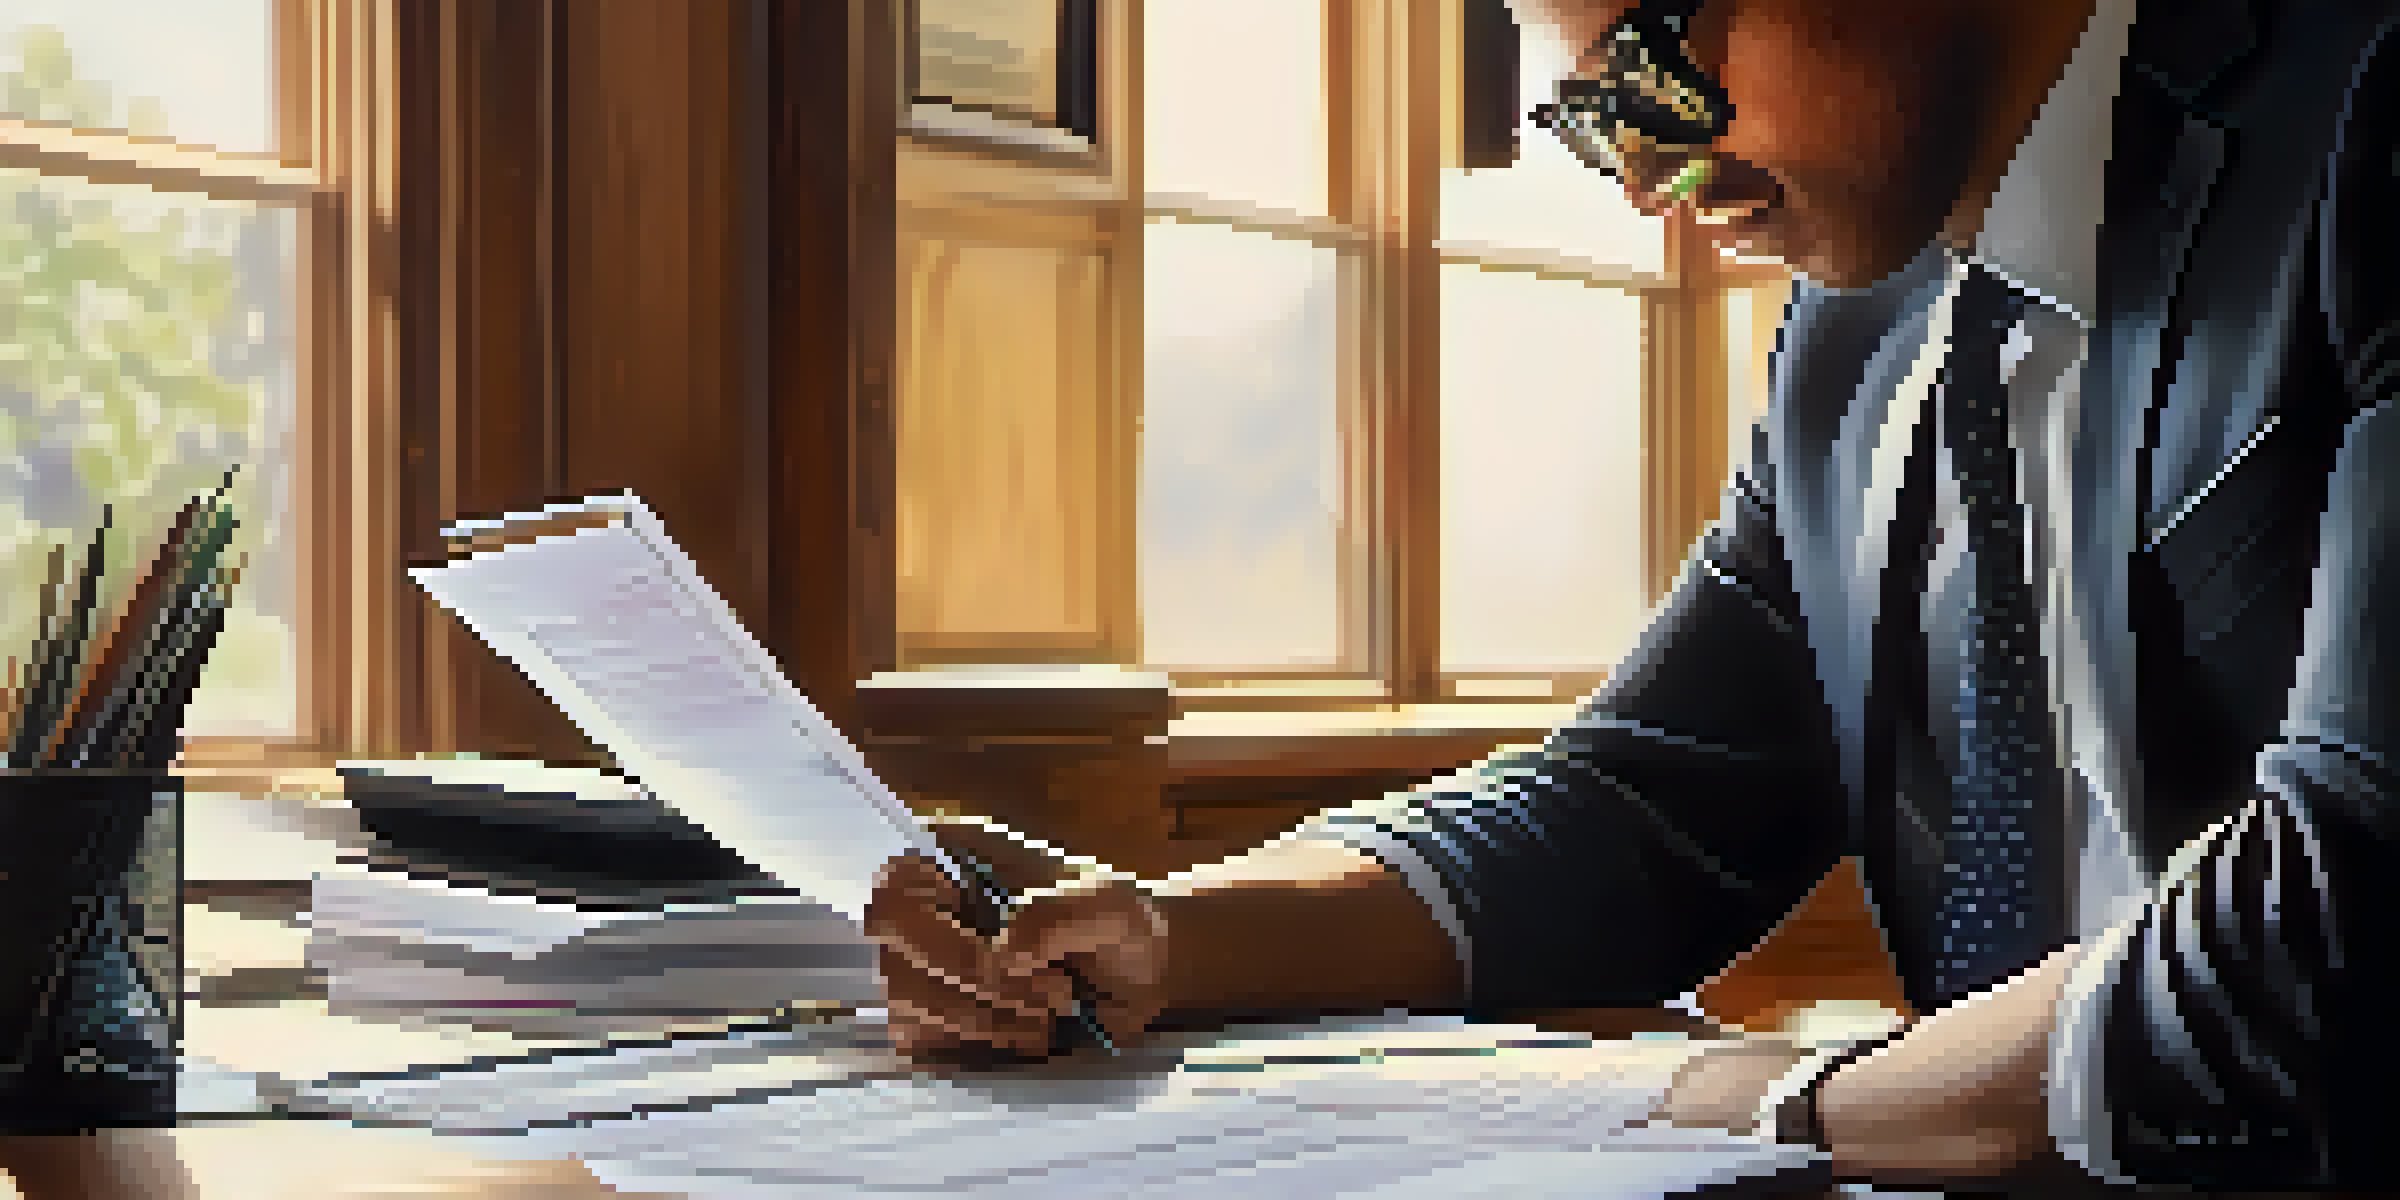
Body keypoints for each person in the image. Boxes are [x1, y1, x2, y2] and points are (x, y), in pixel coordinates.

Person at [867, 0, 2400, 1190]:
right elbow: (1650, 797)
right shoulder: (1853, 344)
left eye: (1653, 74)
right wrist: (1169, 933)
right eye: (1589, 125)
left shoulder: (2373, 124)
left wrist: (1816, 1103)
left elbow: (2354, 891)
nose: (1649, 186)